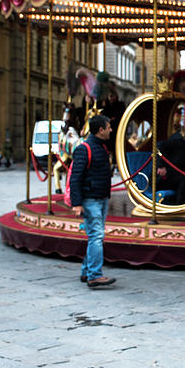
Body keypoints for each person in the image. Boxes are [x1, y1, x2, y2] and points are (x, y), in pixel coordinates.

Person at [69, 115, 116, 289]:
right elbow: (76, 177)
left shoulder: (102, 147)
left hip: (101, 198)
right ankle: (95, 275)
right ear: (100, 130)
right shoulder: (84, 149)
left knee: (95, 236)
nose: (111, 129)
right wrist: (77, 203)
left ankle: (87, 271)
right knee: (96, 236)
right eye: (109, 127)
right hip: (91, 200)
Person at [156, 106, 185, 205]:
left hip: (176, 174)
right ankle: (180, 204)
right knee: (184, 180)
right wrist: (161, 166)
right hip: (165, 176)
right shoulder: (177, 141)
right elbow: (159, 146)